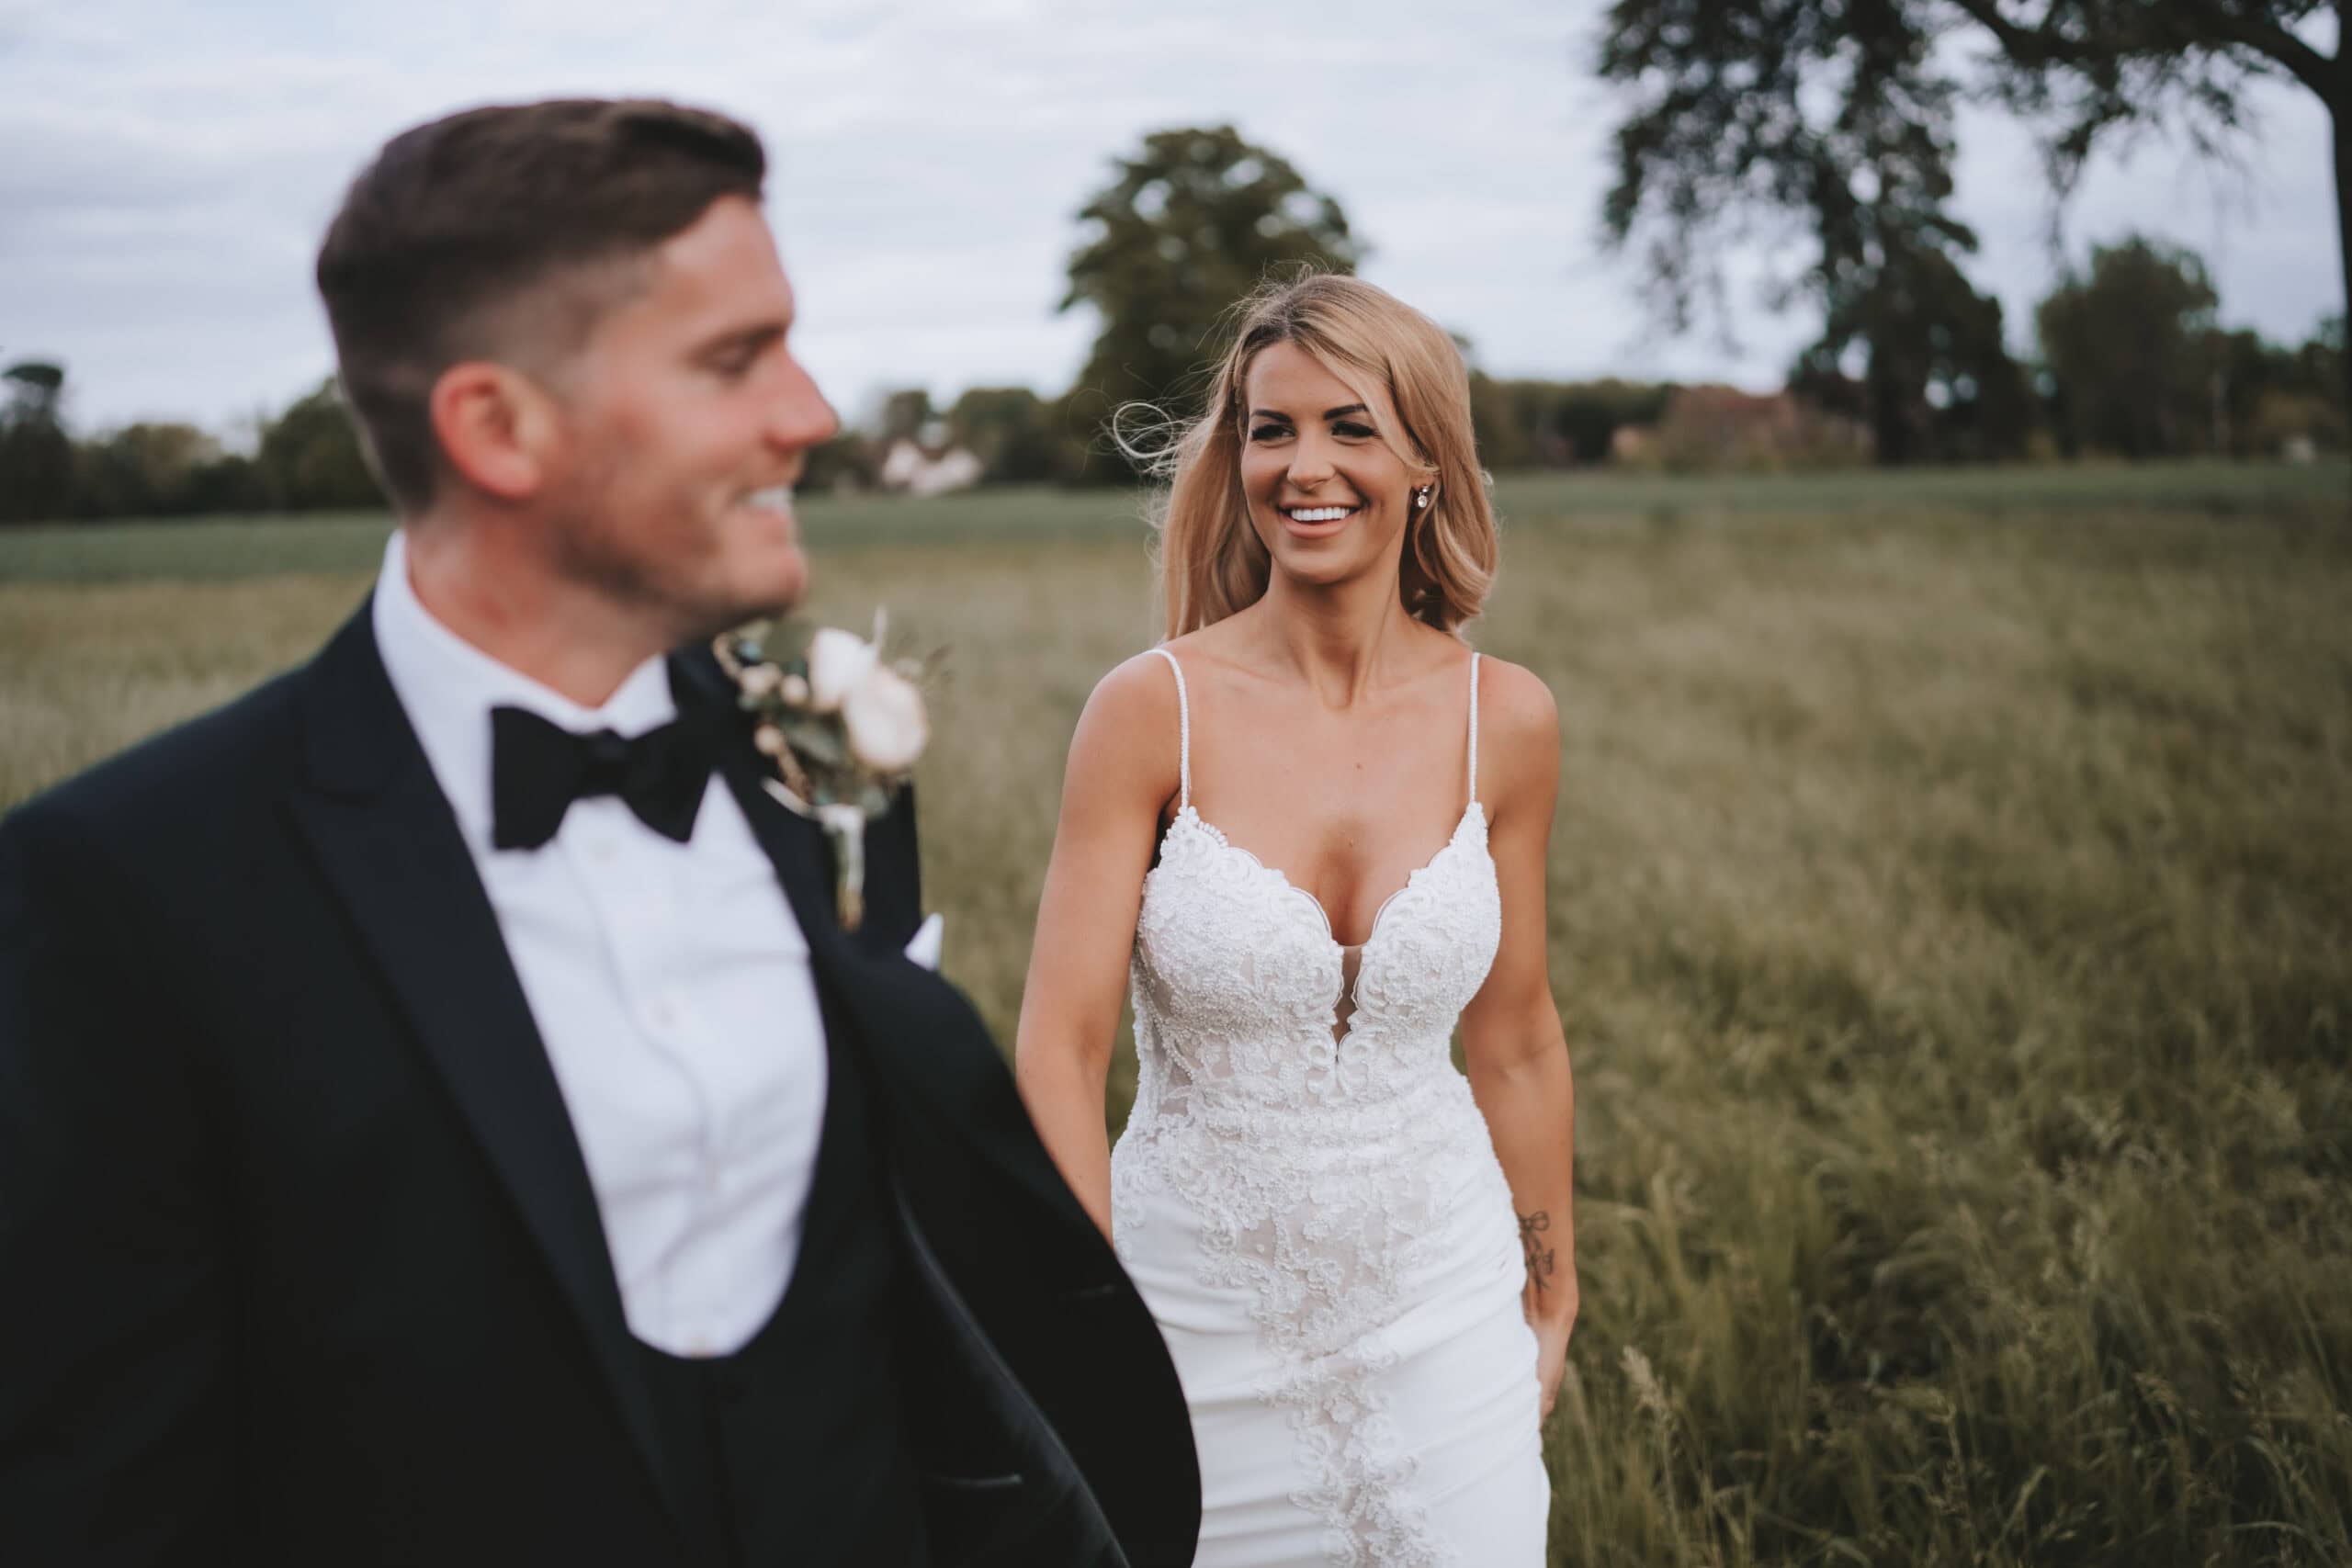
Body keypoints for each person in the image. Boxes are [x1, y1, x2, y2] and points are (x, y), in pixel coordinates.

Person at [0, 97, 1198, 1568]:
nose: (810, 415)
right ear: (497, 427)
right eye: (735, 360)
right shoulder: (125, 893)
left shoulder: (806, 769)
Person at [1014, 273, 1578, 1566]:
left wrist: (1552, 1286)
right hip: (1187, 1324)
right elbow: (1060, 1048)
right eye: (1271, 430)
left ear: (1427, 463)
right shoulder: (1150, 710)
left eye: (1349, 427)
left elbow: (1517, 1040)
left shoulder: (1508, 719)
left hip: (1446, 1310)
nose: (1303, 466)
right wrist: (1089, 1325)